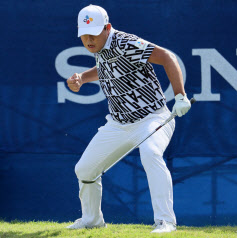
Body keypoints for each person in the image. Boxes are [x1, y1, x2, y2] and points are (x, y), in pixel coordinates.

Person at [65, 5, 191, 233]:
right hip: (118, 124)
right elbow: (105, 67)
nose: (89, 39)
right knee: (84, 170)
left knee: (151, 153)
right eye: (84, 35)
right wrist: (83, 77)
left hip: (153, 118)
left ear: (108, 28)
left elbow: (167, 57)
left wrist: (180, 96)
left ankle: (166, 221)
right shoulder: (100, 48)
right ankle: (92, 221)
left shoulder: (125, 42)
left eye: (93, 33)